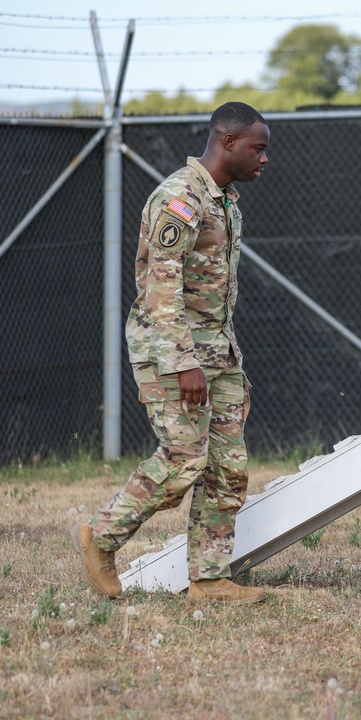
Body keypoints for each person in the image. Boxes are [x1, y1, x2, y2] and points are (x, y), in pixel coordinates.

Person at [71, 102, 270, 604]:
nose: (264, 159)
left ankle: (208, 579)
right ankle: (102, 535)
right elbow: (160, 287)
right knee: (184, 460)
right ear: (228, 141)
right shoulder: (181, 197)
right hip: (171, 349)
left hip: (218, 351)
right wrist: (183, 361)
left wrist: (224, 361)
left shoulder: (226, 200)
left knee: (227, 467)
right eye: (258, 148)